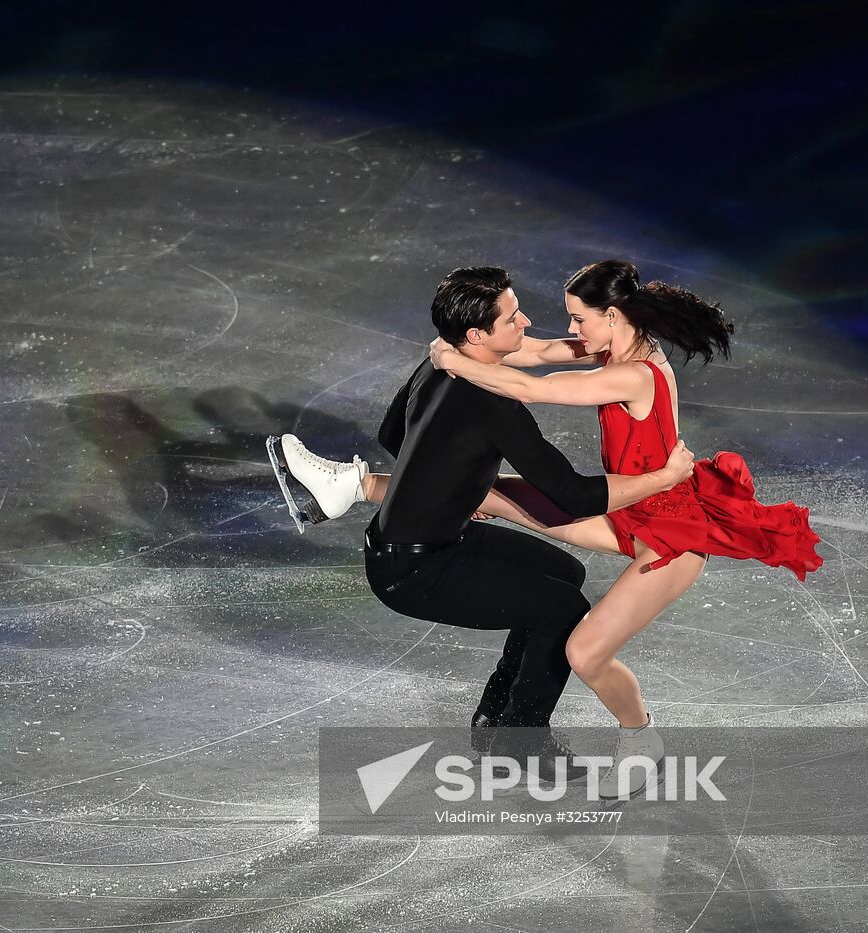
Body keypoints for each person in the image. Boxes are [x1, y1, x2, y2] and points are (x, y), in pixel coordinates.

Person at [281, 260, 822, 798]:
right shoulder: (616, 344)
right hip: (627, 510)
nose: (568, 330)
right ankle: (349, 486)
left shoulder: (632, 373)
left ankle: (640, 742)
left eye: (577, 319)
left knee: (583, 650)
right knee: (494, 500)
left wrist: (452, 358)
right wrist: (456, 353)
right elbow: (535, 353)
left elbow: (534, 389)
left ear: (612, 316)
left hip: (665, 530)